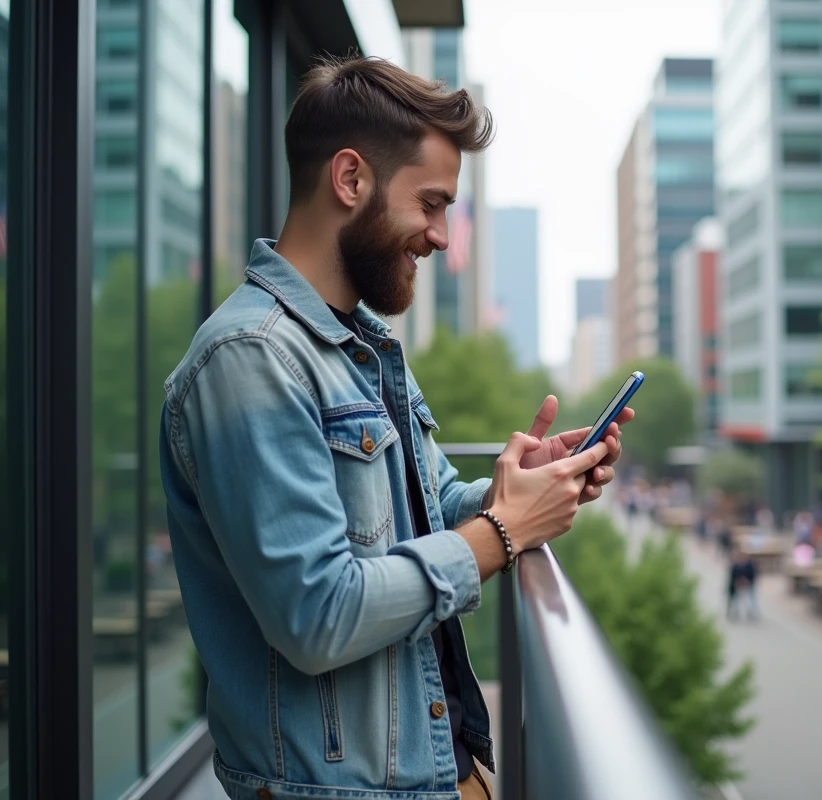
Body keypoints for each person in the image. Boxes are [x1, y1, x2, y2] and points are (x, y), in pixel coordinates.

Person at [158, 57, 634, 800]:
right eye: (432, 204)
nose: (441, 237)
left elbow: (429, 505)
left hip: (439, 771)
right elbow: (318, 614)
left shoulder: (365, 346)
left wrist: (517, 487)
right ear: (350, 179)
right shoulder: (249, 359)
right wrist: (504, 532)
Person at [727, 549, 760, 622]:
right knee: (736, 600)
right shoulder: (735, 566)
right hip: (737, 585)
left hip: (748, 585)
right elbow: (732, 576)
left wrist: (747, 581)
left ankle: (752, 613)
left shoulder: (749, 565)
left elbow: (753, 575)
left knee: (751, 600)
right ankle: (735, 613)